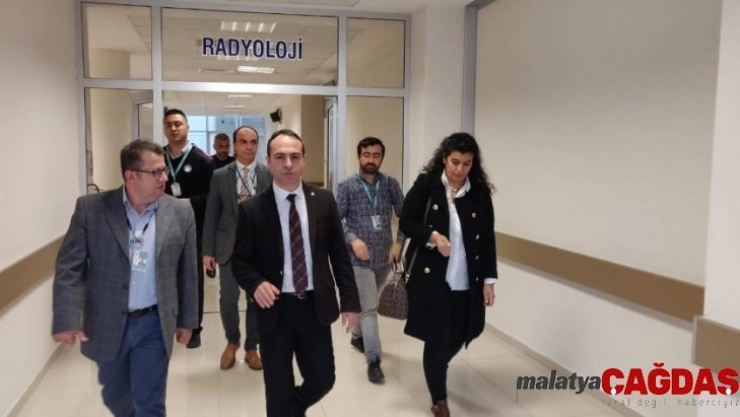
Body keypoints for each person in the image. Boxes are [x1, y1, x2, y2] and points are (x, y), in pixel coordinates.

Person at [52, 139, 198, 417]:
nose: (164, 178)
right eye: (155, 172)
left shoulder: (180, 212)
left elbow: (188, 271)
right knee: (116, 396)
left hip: (154, 322)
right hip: (107, 321)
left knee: (149, 401)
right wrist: (66, 318)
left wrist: (188, 320)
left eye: (164, 170)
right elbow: (69, 268)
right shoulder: (91, 209)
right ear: (131, 176)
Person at [232, 129, 360, 417]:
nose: (288, 164)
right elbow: (239, 261)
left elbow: (339, 255)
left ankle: (291, 410)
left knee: (323, 379)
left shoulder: (323, 200)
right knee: (277, 387)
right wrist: (256, 283)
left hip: (314, 307)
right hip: (274, 310)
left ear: (304, 160)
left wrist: (350, 301)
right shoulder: (252, 209)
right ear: (268, 161)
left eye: (294, 157)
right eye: (280, 157)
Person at [399, 132, 497, 417]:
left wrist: (489, 280)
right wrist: (432, 237)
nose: (459, 169)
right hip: (432, 279)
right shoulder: (427, 185)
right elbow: (406, 221)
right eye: (455, 162)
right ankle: (439, 400)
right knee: (437, 338)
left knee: (465, 331)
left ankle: (437, 364)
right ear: (444, 158)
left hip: (468, 279)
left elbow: (487, 239)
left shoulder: (479, 193)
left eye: (466, 163)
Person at [336, 136, 405, 384]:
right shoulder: (346, 186)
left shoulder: (390, 185)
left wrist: (399, 243)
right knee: (370, 309)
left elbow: (406, 217)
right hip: (359, 260)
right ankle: (374, 361)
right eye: (366, 155)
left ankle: (357, 337)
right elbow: (336, 220)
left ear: (381, 158)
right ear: (359, 157)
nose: (371, 160)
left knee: (369, 302)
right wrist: (353, 239)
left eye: (376, 155)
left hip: (384, 257)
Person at [203, 126, 271, 371]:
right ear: (235, 145)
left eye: (253, 142)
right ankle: (232, 341)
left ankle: (252, 347)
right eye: (243, 142)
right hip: (228, 246)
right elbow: (212, 213)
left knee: (256, 299)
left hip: (258, 249)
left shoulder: (267, 174)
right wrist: (207, 251)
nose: (249, 147)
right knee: (228, 299)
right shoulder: (220, 175)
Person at [163, 108, 214, 348]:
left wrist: (190, 202)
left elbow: (214, 197)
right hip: (164, 227)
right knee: (166, 276)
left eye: (178, 124)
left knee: (192, 279)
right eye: (169, 125)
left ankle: (194, 327)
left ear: (187, 127)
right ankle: (168, 323)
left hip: (194, 228)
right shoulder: (158, 158)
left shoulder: (202, 160)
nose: (174, 128)